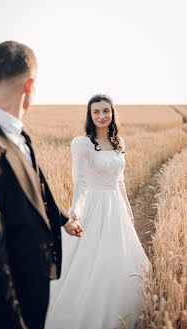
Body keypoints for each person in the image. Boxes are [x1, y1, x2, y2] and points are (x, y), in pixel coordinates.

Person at [0, 41, 83, 329]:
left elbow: (36, 187)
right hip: (9, 307)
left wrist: (61, 220)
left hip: (34, 289)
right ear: (30, 85)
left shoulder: (18, 136)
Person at [45, 94, 150, 329]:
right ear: (90, 116)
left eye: (106, 111)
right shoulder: (82, 144)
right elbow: (81, 182)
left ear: (112, 113)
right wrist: (76, 212)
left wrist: (130, 213)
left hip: (117, 208)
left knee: (120, 259)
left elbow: (120, 182)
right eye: (96, 112)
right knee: (92, 261)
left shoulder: (119, 142)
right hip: (94, 205)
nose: (101, 116)